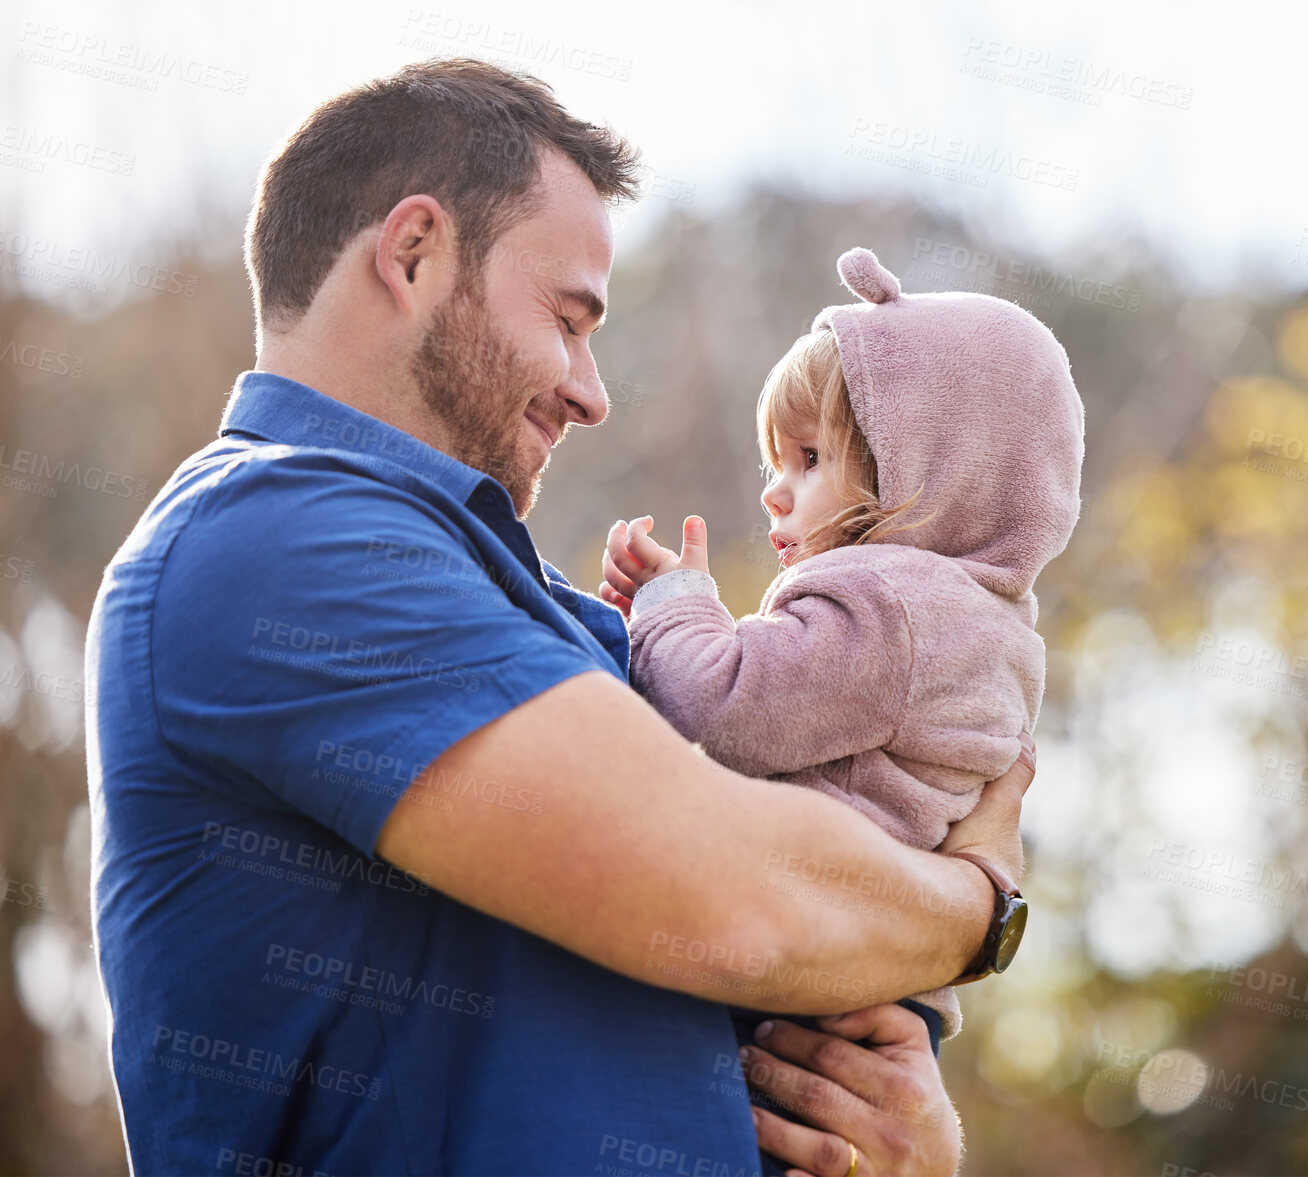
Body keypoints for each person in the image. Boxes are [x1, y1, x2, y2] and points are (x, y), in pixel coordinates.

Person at [85, 59, 1032, 1176]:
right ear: (413, 252)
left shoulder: (545, 617)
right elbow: (737, 895)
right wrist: (981, 909)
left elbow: (782, 962)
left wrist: (892, 1142)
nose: (592, 389)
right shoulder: (272, 537)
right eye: (568, 320)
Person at [600, 245, 1082, 1086]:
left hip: (805, 988)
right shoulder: (991, 626)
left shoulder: (890, 607)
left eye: (811, 459)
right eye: (772, 462)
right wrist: (644, 624)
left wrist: (677, 605)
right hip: (889, 984)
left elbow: (726, 707)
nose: (774, 492)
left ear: (937, 468)